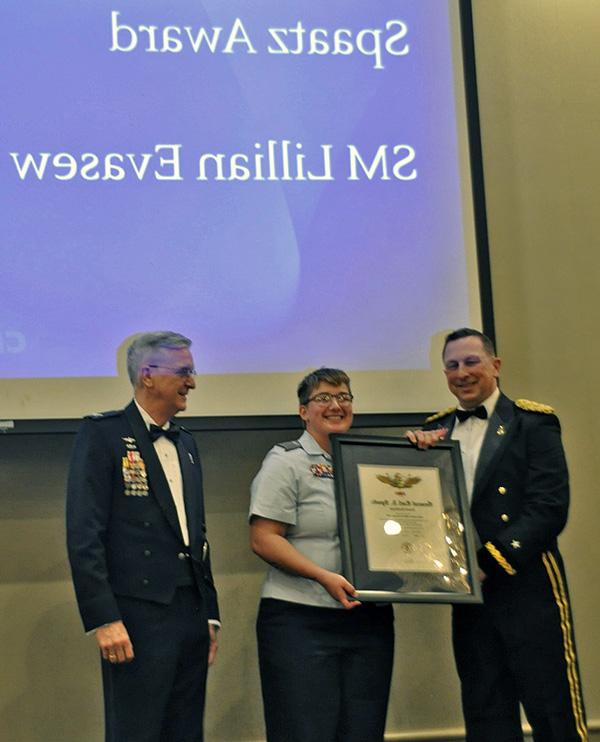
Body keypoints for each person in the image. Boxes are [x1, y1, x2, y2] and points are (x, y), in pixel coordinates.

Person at [408, 328, 587, 742]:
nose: (462, 373)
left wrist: (490, 561)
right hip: (470, 595)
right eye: (451, 366)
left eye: (471, 362)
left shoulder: (533, 423)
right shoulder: (433, 433)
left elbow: (549, 508)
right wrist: (408, 459)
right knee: (485, 709)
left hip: (528, 585)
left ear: (496, 366)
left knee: (552, 708)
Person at [66, 331, 220, 742]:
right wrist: (104, 618)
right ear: (148, 375)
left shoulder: (186, 443)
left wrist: (209, 612)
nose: (192, 381)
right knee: (137, 730)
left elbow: (197, 535)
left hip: (189, 611)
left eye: (192, 371)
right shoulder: (103, 435)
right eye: (184, 371)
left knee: (186, 731)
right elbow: (84, 535)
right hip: (136, 617)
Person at [249, 368, 394, 742]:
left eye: (344, 397)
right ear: (303, 411)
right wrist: (322, 575)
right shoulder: (286, 462)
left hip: (366, 619)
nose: (336, 405)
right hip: (300, 621)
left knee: (364, 731)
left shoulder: (371, 462)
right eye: (324, 398)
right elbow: (265, 539)